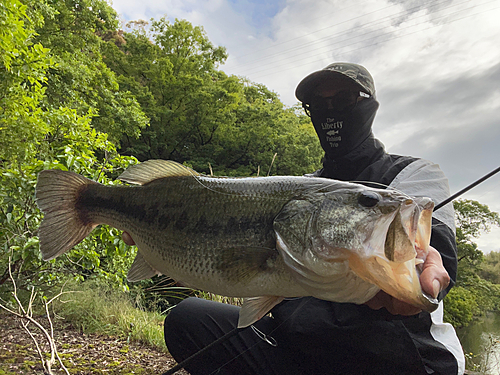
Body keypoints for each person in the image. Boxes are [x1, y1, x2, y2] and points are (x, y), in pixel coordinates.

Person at [124, 62, 465, 374]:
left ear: (368, 107)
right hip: (304, 350)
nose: (330, 111)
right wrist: (175, 249)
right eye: (319, 104)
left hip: (394, 359)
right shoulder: (301, 191)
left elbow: (431, 253)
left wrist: (421, 268)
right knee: (188, 319)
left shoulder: (414, 175)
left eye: (343, 99)